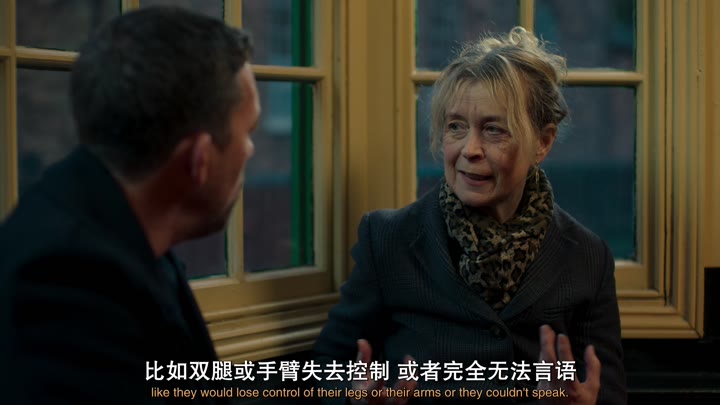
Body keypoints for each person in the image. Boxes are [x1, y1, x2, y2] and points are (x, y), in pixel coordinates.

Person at [313, 27, 626, 404]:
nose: (469, 149)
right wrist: (355, 398)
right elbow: (327, 369)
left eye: (494, 130)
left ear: (542, 142)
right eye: (456, 127)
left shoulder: (587, 256)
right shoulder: (387, 238)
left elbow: (608, 391)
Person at [0, 6, 259, 404]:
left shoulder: (117, 223)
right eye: (248, 131)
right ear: (199, 160)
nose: (250, 150)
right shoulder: (63, 290)